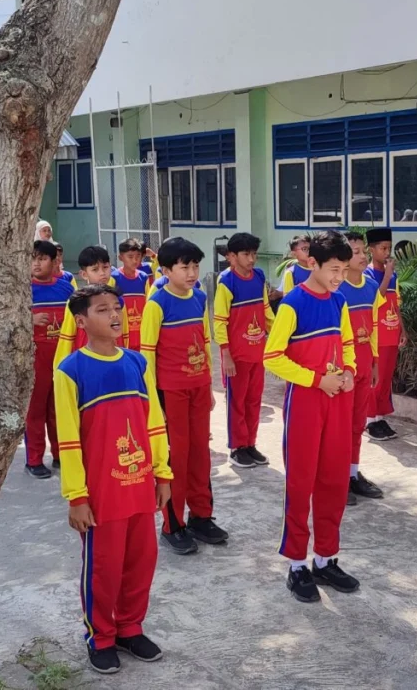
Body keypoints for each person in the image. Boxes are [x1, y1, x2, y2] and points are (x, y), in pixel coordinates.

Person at [54, 284, 173, 674]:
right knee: (104, 566)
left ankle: (130, 627)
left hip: (140, 483)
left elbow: (154, 423)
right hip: (101, 493)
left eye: (117, 308)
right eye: (103, 310)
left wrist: (162, 473)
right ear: (82, 320)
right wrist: (77, 496)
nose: (116, 315)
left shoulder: (138, 364)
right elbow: (69, 441)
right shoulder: (70, 372)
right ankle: (100, 635)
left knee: (142, 560)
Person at [264, 230, 359, 602]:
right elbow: (272, 357)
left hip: (337, 401)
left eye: (343, 269)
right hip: (306, 402)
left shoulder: (339, 302)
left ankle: (326, 557)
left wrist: (348, 370)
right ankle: (297, 564)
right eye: (334, 269)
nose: (339, 276)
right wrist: (316, 380)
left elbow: (348, 343)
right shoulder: (293, 303)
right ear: (312, 263)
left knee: (334, 481)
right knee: (301, 483)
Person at [141, 237, 226, 555]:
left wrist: (210, 383)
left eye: (195, 266)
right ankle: (172, 524)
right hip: (170, 391)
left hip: (199, 388)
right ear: (165, 270)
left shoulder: (199, 297)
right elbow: (146, 355)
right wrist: (152, 399)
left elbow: (205, 341)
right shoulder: (156, 303)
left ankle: (201, 517)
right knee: (175, 458)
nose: (191, 272)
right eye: (184, 266)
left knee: (200, 455)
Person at [214, 232, 274, 469]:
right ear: (231, 256)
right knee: (236, 402)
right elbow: (219, 321)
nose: (252, 259)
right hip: (236, 355)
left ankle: (250, 443)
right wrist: (226, 354)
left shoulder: (259, 276)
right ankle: (237, 448)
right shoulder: (226, 282)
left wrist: (279, 336)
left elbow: (266, 311)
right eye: (246, 254)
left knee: (254, 400)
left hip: (257, 352)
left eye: (254, 254)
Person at [339, 232, 384, 504]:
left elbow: (375, 326)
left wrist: (376, 361)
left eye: (362, 250)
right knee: (340, 427)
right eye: (355, 251)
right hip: (344, 369)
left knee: (357, 425)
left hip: (365, 364)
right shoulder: (336, 290)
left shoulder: (369, 287)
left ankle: (352, 474)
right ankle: (336, 478)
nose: (362, 256)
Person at [26, 241, 76, 477]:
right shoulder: (22, 291)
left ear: (54, 261)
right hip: (35, 358)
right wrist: (29, 321)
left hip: (62, 357)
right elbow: (4, 325)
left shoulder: (66, 289)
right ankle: (34, 459)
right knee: (35, 410)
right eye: (33, 258)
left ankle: (60, 454)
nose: (36, 263)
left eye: (42, 258)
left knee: (60, 409)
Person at [54, 245, 126, 368]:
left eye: (105, 267)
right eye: (95, 269)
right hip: (85, 362)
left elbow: (125, 335)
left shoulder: (118, 300)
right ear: (84, 274)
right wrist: (59, 368)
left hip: (114, 360)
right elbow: (67, 338)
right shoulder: (76, 301)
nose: (102, 273)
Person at [365, 228, 406, 440]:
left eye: (389, 248)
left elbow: (395, 304)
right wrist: (387, 275)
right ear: (371, 250)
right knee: (376, 379)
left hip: (391, 333)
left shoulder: (394, 276)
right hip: (377, 335)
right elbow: (376, 300)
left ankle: (380, 417)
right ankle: (369, 420)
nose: (387, 252)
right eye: (383, 248)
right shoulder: (368, 274)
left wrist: (402, 329)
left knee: (386, 379)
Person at [111, 238, 151, 351]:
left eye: (138, 256)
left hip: (141, 331)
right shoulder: (114, 278)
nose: (135, 260)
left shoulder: (143, 278)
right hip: (122, 332)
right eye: (130, 256)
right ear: (120, 258)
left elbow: (148, 304)